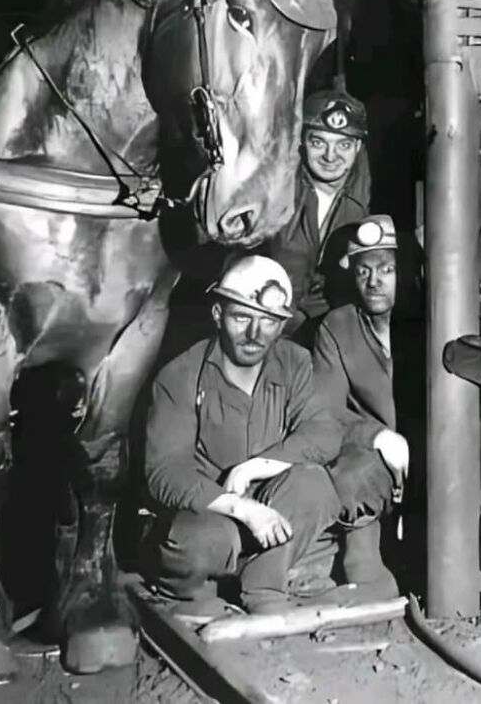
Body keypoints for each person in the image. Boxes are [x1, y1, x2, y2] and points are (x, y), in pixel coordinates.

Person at [143, 255, 342, 616]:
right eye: (241, 318)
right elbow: (165, 472)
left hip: (275, 505)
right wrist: (242, 508)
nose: (255, 334)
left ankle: (263, 587)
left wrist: (255, 468)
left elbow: (324, 432)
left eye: (268, 322)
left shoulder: (294, 362)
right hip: (212, 511)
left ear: (281, 325)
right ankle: (208, 583)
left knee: (315, 484)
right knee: (198, 545)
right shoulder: (181, 374)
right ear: (218, 314)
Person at [312, 214, 409, 600]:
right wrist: (377, 436)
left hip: (440, 455)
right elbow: (324, 410)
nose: (374, 282)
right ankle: (363, 561)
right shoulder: (337, 327)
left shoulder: (437, 318)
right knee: (350, 470)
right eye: (364, 270)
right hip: (378, 459)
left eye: (387, 269)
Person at [260, 87, 371, 346]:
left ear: (357, 147)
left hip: (326, 332)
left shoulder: (367, 194)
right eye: (318, 142)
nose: (330, 156)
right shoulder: (274, 187)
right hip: (264, 323)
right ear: (302, 141)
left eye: (343, 144)